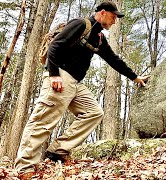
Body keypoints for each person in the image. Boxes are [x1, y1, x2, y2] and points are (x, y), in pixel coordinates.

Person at [15, 1, 148, 179]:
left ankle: (58, 150)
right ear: (102, 13)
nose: (115, 21)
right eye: (114, 16)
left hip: (76, 84)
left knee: (94, 112)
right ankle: (24, 167)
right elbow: (55, 46)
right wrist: (54, 74)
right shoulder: (80, 24)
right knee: (43, 121)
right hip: (60, 77)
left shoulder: (99, 37)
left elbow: (113, 59)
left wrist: (134, 77)